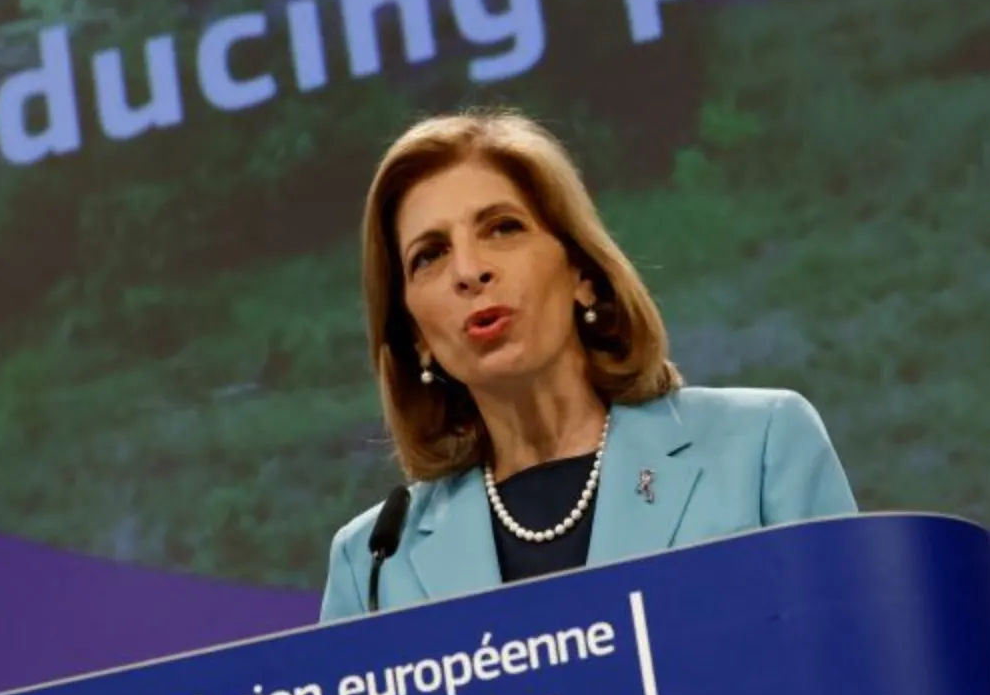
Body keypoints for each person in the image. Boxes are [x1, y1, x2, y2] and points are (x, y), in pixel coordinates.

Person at [320, 108, 858, 620]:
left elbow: (854, 670)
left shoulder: (759, 448)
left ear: (581, 272)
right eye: (429, 255)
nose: (468, 270)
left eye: (503, 228)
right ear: (416, 337)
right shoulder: (372, 565)